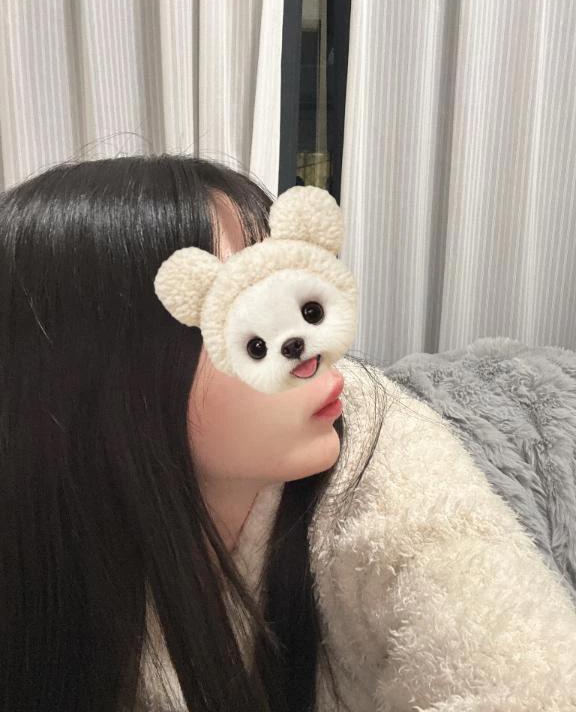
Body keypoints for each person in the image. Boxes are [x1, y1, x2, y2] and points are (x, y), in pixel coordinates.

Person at [2, 154, 576, 712]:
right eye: (249, 321)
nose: (319, 355)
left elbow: (516, 656)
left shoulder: (374, 437)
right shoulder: (43, 554)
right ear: (107, 382)